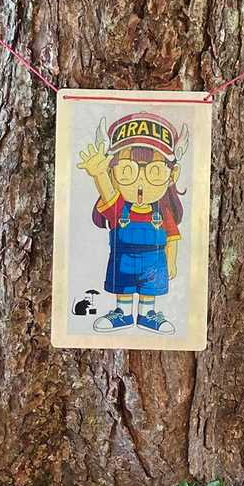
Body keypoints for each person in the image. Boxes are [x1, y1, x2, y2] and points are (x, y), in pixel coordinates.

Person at [77, 112, 185, 333]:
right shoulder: (119, 209)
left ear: (172, 175)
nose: (141, 181)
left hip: (154, 264)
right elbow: (108, 194)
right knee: (123, 290)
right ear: (113, 173)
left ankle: (147, 316)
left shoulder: (163, 212)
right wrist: (99, 175)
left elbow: (172, 238)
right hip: (123, 261)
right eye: (127, 171)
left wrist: (172, 261)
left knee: (149, 292)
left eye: (155, 172)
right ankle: (123, 315)